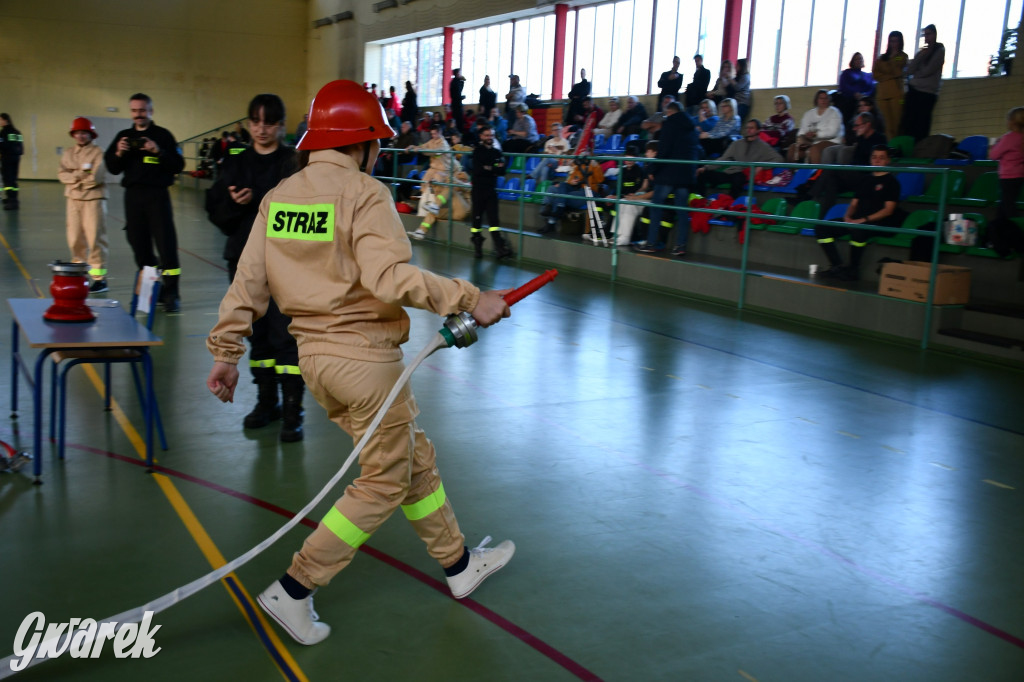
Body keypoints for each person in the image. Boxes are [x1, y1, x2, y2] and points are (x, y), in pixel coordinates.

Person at [205, 81, 515, 646]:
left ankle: (458, 563)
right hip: (366, 362)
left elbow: (248, 281)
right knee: (383, 480)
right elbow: (389, 278)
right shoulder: (364, 192)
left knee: (412, 458)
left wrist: (227, 352)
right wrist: (472, 298)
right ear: (364, 142)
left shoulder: (280, 197)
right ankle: (295, 588)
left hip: (316, 363)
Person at [205, 94, 304, 442]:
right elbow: (216, 212)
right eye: (256, 122)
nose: (262, 129)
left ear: (281, 126)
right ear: (249, 124)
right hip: (244, 261)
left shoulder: (293, 163)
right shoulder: (236, 163)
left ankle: (293, 410)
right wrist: (234, 205)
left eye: (270, 123)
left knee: (286, 335)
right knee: (257, 335)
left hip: (286, 263)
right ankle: (267, 402)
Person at [103, 93, 185, 312]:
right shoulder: (124, 136)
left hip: (158, 196)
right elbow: (112, 167)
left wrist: (158, 151)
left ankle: (172, 294)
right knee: (139, 245)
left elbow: (178, 165)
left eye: (142, 110)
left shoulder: (163, 135)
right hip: (133, 197)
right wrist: (119, 152)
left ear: (151, 111)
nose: (138, 114)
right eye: (134, 110)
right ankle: (153, 288)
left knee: (166, 245)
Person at [815, 145, 903, 281]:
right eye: (874, 157)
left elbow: (888, 210)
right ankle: (837, 265)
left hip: (877, 223)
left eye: (881, 158)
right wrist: (847, 216)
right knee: (821, 228)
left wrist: (864, 220)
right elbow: (854, 203)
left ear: (888, 160)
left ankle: (853, 269)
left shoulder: (892, 182)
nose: (877, 161)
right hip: (857, 220)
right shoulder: (865, 179)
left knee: (858, 230)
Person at [635, 102, 699, 256]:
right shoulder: (692, 127)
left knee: (656, 206)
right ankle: (681, 245)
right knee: (682, 210)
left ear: (670, 112)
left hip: (669, 173)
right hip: (685, 175)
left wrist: (652, 169)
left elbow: (664, 150)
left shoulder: (670, 125)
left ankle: (651, 243)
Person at [58, 117, 109, 292]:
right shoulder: (68, 153)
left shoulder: (98, 153)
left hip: (93, 200)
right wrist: (80, 175)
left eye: (84, 133)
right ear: (73, 135)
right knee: (74, 239)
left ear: (91, 134)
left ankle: (99, 279)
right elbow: (61, 174)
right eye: (77, 133)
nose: (80, 136)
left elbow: (96, 177)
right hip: (73, 200)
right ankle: (78, 274)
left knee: (95, 239)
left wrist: (74, 178)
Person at [812, 112, 889, 215]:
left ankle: (810, 197)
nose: (854, 128)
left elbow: (873, 160)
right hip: (855, 174)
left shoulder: (879, 138)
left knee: (832, 169)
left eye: (857, 125)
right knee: (831, 181)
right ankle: (825, 215)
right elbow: (854, 157)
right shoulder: (861, 138)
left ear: (867, 125)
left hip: (868, 176)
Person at [695, 119, 782, 199]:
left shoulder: (763, 146)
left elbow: (779, 159)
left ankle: (730, 205)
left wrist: (762, 166)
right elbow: (723, 159)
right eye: (747, 128)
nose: (748, 130)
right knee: (702, 173)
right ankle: (701, 201)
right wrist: (706, 167)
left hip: (743, 174)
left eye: (751, 128)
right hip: (729, 173)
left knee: (739, 177)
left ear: (758, 130)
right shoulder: (737, 143)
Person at [469, 123, 514, 259]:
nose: (490, 137)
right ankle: (477, 247)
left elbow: (502, 171)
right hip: (478, 190)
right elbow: (478, 170)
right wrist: (493, 168)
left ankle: (500, 248)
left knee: (494, 219)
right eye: (487, 135)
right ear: (481, 136)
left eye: (492, 135)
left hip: (490, 190)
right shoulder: (477, 152)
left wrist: (488, 168)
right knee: (476, 219)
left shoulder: (496, 152)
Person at [538, 155, 605, 234]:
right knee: (553, 188)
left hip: (588, 191)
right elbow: (571, 179)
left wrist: (595, 166)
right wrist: (572, 181)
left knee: (559, 197)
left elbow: (600, 180)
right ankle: (549, 206)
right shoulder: (579, 165)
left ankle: (551, 222)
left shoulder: (595, 166)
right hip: (575, 188)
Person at [903, 24, 945, 141]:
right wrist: (921, 55)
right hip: (915, 91)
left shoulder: (940, 51)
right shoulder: (922, 52)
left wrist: (915, 77)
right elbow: (909, 70)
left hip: (927, 93)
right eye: (925, 35)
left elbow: (927, 70)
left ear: (935, 34)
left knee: (922, 126)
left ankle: (920, 148)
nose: (927, 37)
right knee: (909, 124)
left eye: (929, 34)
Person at [409, 168, 472, 241]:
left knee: (450, 188)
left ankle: (435, 206)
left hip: (464, 211)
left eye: (462, 179)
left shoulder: (468, 185)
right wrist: (435, 185)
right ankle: (421, 232)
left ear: (466, 179)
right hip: (454, 212)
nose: (461, 180)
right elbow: (442, 193)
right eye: (459, 178)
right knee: (433, 212)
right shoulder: (454, 186)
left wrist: (454, 180)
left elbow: (464, 186)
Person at [787, 89, 844, 164]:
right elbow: (802, 130)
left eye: (826, 98)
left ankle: (817, 171)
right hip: (811, 142)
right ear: (817, 100)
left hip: (831, 141)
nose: (823, 100)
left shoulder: (834, 112)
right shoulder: (809, 113)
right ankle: (792, 170)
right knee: (793, 147)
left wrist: (816, 135)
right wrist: (803, 139)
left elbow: (832, 132)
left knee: (814, 149)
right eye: (821, 98)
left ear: (829, 99)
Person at [990, 107, 1024, 220]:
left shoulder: (1008, 138)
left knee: (1008, 206)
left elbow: (993, 155)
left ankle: (1016, 227)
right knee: (1005, 204)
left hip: (1008, 177)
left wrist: (995, 144)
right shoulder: (1022, 138)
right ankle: (999, 227)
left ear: (1011, 122)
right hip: (1019, 176)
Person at [872, 31, 907, 140]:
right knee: (886, 125)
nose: (893, 44)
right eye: (891, 41)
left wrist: (892, 60)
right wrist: (890, 76)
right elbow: (875, 74)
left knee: (896, 123)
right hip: (882, 95)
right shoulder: (882, 58)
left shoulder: (902, 56)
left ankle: (896, 145)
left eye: (896, 41)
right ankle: (889, 146)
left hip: (897, 95)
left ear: (900, 42)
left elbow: (897, 71)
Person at [837, 53, 876, 123]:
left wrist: (865, 95)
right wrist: (854, 93)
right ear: (852, 61)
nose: (859, 61)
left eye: (860, 59)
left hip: (864, 99)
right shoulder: (846, 73)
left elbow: (871, 88)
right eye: (856, 59)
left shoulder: (867, 75)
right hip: (849, 100)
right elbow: (843, 86)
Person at [0, 113, 24, 211]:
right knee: (13, 179)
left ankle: (12, 201)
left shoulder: (4, 132)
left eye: (0, 120)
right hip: (16, 158)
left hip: (7, 158)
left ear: (5, 120)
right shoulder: (17, 132)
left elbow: (2, 145)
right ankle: (13, 199)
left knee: (8, 180)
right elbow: (20, 146)